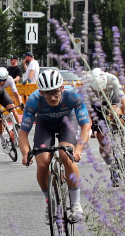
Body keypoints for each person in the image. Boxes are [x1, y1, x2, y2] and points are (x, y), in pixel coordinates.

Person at [18, 69, 91, 223]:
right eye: (47, 93)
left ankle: (76, 203)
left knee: (66, 156)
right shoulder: (34, 100)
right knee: (43, 163)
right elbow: (23, 133)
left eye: (55, 93)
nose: (52, 97)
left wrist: (78, 150)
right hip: (45, 125)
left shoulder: (73, 95)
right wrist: (25, 153)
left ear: (62, 88)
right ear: (40, 92)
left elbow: (85, 125)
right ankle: (49, 202)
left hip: (67, 122)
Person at [87, 68, 125, 165]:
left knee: (115, 113)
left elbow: (123, 101)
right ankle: (112, 167)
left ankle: (123, 136)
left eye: (102, 89)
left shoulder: (112, 79)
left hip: (111, 100)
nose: (100, 92)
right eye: (96, 90)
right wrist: (90, 127)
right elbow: (87, 111)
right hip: (95, 106)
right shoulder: (87, 85)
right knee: (103, 143)